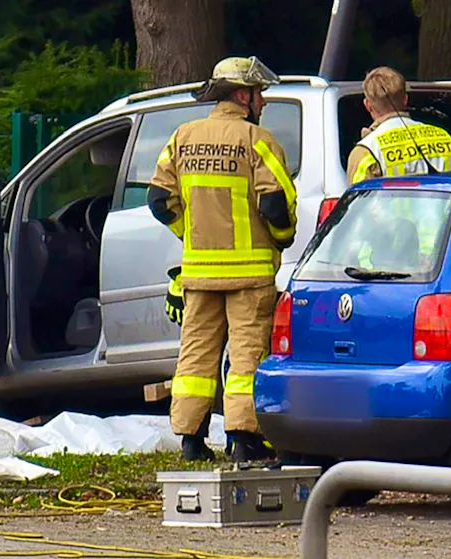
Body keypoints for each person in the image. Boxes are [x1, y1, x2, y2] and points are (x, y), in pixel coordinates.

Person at [146, 56, 297, 463]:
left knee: (196, 357)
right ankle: (244, 440)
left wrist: (190, 234)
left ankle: (191, 441)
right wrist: (281, 240)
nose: (263, 102)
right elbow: (275, 204)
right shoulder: (258, 140)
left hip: (199, 274)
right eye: (260, 93)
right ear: (244, 95)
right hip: (250, 275)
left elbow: (158, 200)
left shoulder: (183, 137)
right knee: (247, 358)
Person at [346, 66, 451, 185]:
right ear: (405, 100)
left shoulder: (366, 152)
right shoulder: (443, 136)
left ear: (368, 105)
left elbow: (359, 202)